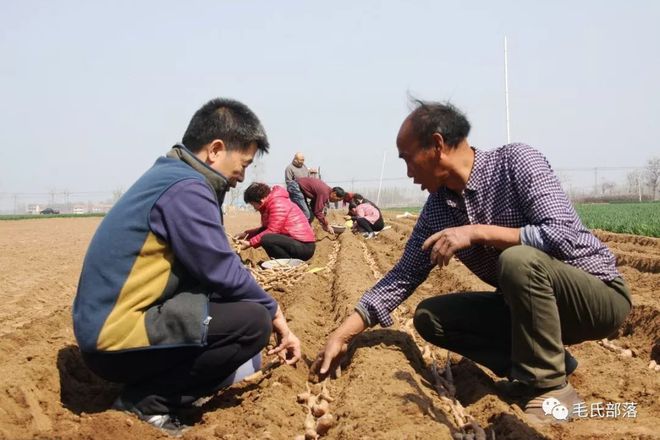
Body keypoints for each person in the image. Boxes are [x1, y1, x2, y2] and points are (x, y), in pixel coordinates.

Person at [312, 99, 631, 424]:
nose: (408, 174)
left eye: (408, 160)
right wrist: (343, 335)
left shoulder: (516, 162)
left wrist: (478, 232)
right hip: (531, 307)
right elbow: (403, 276)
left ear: (437, 145)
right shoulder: (438, 208)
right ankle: (535, 368)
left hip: (596, 295)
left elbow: (562, 234)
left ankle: (552, 390)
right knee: (431, 317)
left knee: (518, 261)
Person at [72, 98, 301, 435]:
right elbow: (220, 269)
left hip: (110, 327)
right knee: (252, 323)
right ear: (216, 149)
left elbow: (213, 269)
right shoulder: (187, 189)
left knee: (236, 309)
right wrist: (274, 310)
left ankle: (165, 388)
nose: (243, 175)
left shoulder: (173, 177)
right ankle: (147, 403)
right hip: (114, 338)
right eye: (244, 163)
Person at [237, 182, 316, 261]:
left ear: (260, 200)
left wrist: (250, 243)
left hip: (304, 246)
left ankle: (286, 264)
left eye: (252, 204)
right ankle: (283, 263)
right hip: (295, 243)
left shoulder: (278, 203)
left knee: (266, 239)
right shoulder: (270, 203)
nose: (254, 208)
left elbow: (273, 230)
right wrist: (246, 234)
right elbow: (265, 229)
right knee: (265, 234)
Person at [284, 152, 312, 219]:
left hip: (304, 193)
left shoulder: (304, 167)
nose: (302, 162)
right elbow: (289, 183)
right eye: (300, 160)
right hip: (296, 195)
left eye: (303, 160)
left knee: (307, 211)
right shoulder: (289, 168)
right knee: (303, 212)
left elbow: (308, 179)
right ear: (295, 160)